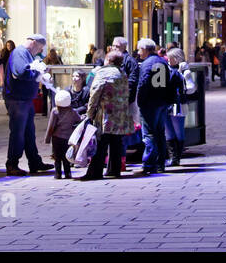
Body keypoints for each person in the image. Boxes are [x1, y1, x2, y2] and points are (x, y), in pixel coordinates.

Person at [2, 34, 53, 176]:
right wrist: (39, 73)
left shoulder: (24, 54)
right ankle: (12, 163)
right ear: (34, 43)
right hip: (17, 99)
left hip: (24, 99)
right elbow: (21, 72)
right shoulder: (20, 53)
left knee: (28, 132)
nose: (39, 52)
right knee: (18, 132)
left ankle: (34, 161)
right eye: (40, 48)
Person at [80, 49, 132, 181]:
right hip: (120, 115)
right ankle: (114, 170)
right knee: (116, 143)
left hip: (105, 115)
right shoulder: (122, 73)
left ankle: (95, 172)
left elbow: (95, 93)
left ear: (108, 60)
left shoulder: (103, 72)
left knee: (101, 143)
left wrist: (90, 113)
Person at [136, 38, 176, 175]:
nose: (138, 52)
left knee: (148, 134)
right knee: (160, 133)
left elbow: (143, 84)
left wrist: (140, 101)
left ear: (145, 49)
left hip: (150, 103)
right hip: (162, 102)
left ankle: (148, 164)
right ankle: (160, 164)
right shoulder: (162, 61)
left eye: (139, 49)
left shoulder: (146, 64)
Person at [165, 49, 195, 167]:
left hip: (178, 104)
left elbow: (191, 87)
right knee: (168, 131)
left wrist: (181, 90)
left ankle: (176, 158)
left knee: (178, 131)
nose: (168, 60)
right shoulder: (166, 69)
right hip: (167, 103)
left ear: (176, 58)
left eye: (170, 58)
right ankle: (173, 157)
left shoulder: (184, 71)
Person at [44, 89, 82, 179]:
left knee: (57, 157)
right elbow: (79, 119)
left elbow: (51, 126)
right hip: (68, 138)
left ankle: (58, 174)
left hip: (56, 138)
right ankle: (68, 173)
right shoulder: (72, 112)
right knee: (66, 157)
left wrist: (47, 138)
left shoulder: (55, 111)